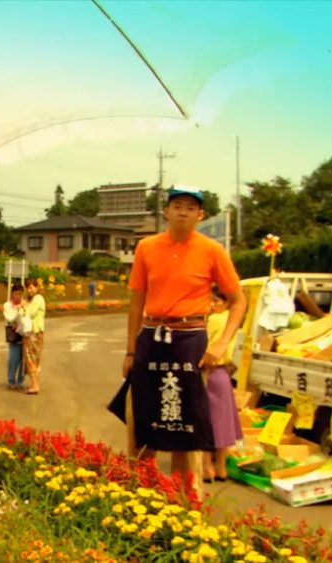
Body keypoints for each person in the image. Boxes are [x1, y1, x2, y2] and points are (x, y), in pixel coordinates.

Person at [121, 185, 246, 490]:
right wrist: (130, 351)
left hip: (191, 339)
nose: (183, 211)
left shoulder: (212, 251)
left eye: (191, 207)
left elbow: (238, 300)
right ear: (166, 211)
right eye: (177, 205)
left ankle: (183, 496)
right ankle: (140, 490)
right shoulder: (147, 247)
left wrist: (221, 342)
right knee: (144, 414)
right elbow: (136, 301)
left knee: (184, 423)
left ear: (200, 215)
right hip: (152, 335)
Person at [202, 285, 243, 482]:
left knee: (205, 420)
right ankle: (221, 469)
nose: (211, 305)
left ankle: (206, 467)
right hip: (224, 375)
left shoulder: (213, 320)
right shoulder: (233, 321)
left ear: (226, 302)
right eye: (210, 301)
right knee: (224, 422)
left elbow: (205, 345)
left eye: (216, 301)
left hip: (208, 373)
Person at [22, 278, 46, 395]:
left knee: (31, 358)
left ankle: (35, 386)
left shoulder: (37, 299)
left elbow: (30, 313)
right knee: (34, 359)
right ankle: (35, 384)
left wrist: (23, 306)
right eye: (28, 287)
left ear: (36, 288)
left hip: (34, 332)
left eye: (31, 287)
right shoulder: (34, 299)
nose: (29, 290)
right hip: (36, 332)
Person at [2, 283, 26, 390]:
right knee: (13, 358)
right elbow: (10, 318)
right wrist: (17, 310)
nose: (18, 296)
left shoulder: (25, 304)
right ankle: (11, 380)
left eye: (20, 294)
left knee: (23, 359)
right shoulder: (7, 305)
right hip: (14, 334)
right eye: (16, 294)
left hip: (25, 333)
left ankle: (20, 381)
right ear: (12, 294)